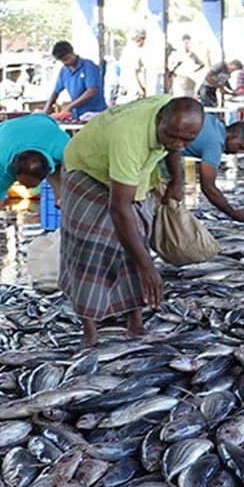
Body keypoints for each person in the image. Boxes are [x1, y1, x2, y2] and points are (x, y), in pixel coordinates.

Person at [59, 95, 203, 346]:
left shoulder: (172, 112)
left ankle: (135, 323)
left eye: (187, 140)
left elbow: (174, 147)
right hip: (88, 169)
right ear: (159, 120)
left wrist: (178, 180)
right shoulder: (129, 137)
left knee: (137, 241)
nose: (179, 144)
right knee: (90, 250)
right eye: (172, 136)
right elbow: (119, 209)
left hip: (133, 175)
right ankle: (90, 331)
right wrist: (148, 267)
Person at [0, 114, 69, 287]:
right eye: (22, 183)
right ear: (13, 173)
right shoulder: (2, 165)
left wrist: (62, 197)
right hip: (6, 136)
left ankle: (72, 267)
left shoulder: (64, 149)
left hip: (46, 134)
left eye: (31, 186)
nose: (27, 190)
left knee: (71, 204)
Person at [182, 116, 244, 221]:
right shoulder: (215, 145)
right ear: (233, 136)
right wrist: (233, 214)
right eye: (240, 146)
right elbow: (208, 188)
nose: (238, 152)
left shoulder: (213, 122)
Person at [42, 41, 108, 118]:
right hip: (77, 114)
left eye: (66, 59)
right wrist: (45, 111)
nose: (65, 63)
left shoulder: (88, 66)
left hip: (95, 113)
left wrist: (70, 106)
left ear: (72, 53)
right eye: (62, 61)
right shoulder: (64, 71)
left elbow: (91, 91)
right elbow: (55, 92)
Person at [167, 34, 205, 98]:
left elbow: (202, 64)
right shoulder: (176, 54)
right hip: (179, 80)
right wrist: (173, 73)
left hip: (190, 81)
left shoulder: (193, 55)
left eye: (188, 43)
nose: (187, 45)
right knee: (179, 97)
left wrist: (194, 71)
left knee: (188, 98)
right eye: (185, 43)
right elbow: (170, 65)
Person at [117, 30, 148, 103]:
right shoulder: (133, 52)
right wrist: (140, 90)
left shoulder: (130, 50)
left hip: (130, 88)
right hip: (133, 89)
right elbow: (132, 73)